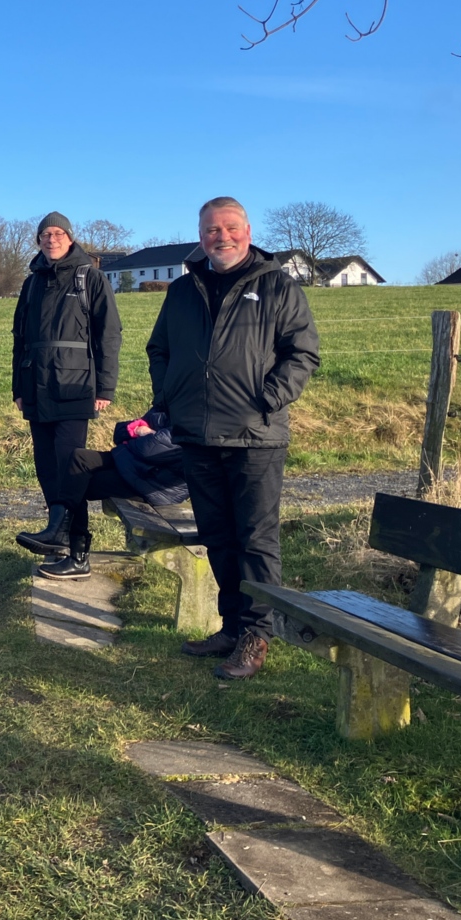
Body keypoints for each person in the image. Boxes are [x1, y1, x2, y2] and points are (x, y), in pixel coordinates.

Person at [147, 196, 320, 680]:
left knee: (256, 541)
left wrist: (265, 400)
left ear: (247, 230)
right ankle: (230, 625)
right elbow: (158, 348)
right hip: (196, 435)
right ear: (200, 236)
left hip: (256, 438)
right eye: (210, 230)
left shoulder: (277, 287)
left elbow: (302, 354)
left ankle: (256, 636)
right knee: (218, 538)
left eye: (228, 228)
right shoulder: (182, 291)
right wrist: (170, 396)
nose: (219, 237)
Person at [11, 213, 123, 573]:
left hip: (75, 387)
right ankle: (55, 539)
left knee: (70, 469)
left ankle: (78, 552)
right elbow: (20, 340)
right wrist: (18, 387)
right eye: (45, 234)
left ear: (70, 238)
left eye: (58, 233)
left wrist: (105, 386)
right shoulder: (31, 284)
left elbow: (109, 334)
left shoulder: (89, 277)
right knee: (46, 469)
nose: (51, 239)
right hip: (36, 388)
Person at [14, 412, 188, 578]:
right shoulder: (167, 403)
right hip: (134, 465)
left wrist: (138, 432)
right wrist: (137, 432)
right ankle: (59, 533)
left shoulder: (190, 410)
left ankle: (77, 557)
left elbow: (154, 448)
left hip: (153, 483)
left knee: (77, 481)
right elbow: (120, 431)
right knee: (79, 458)